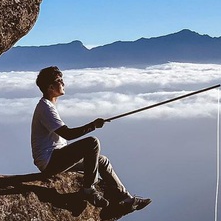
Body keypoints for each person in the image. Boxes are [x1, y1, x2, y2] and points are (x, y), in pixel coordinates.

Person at [31, 66, 150, 211]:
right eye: (59, 81)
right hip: (50, 161)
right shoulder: (46, 108)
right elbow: (68, 134)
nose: (63, 83)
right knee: (92, 143)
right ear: (50, 87)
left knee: (102, 161)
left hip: (56, 158)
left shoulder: (48, 105)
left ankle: (125, 198)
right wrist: (93, 125)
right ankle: (88, 189)